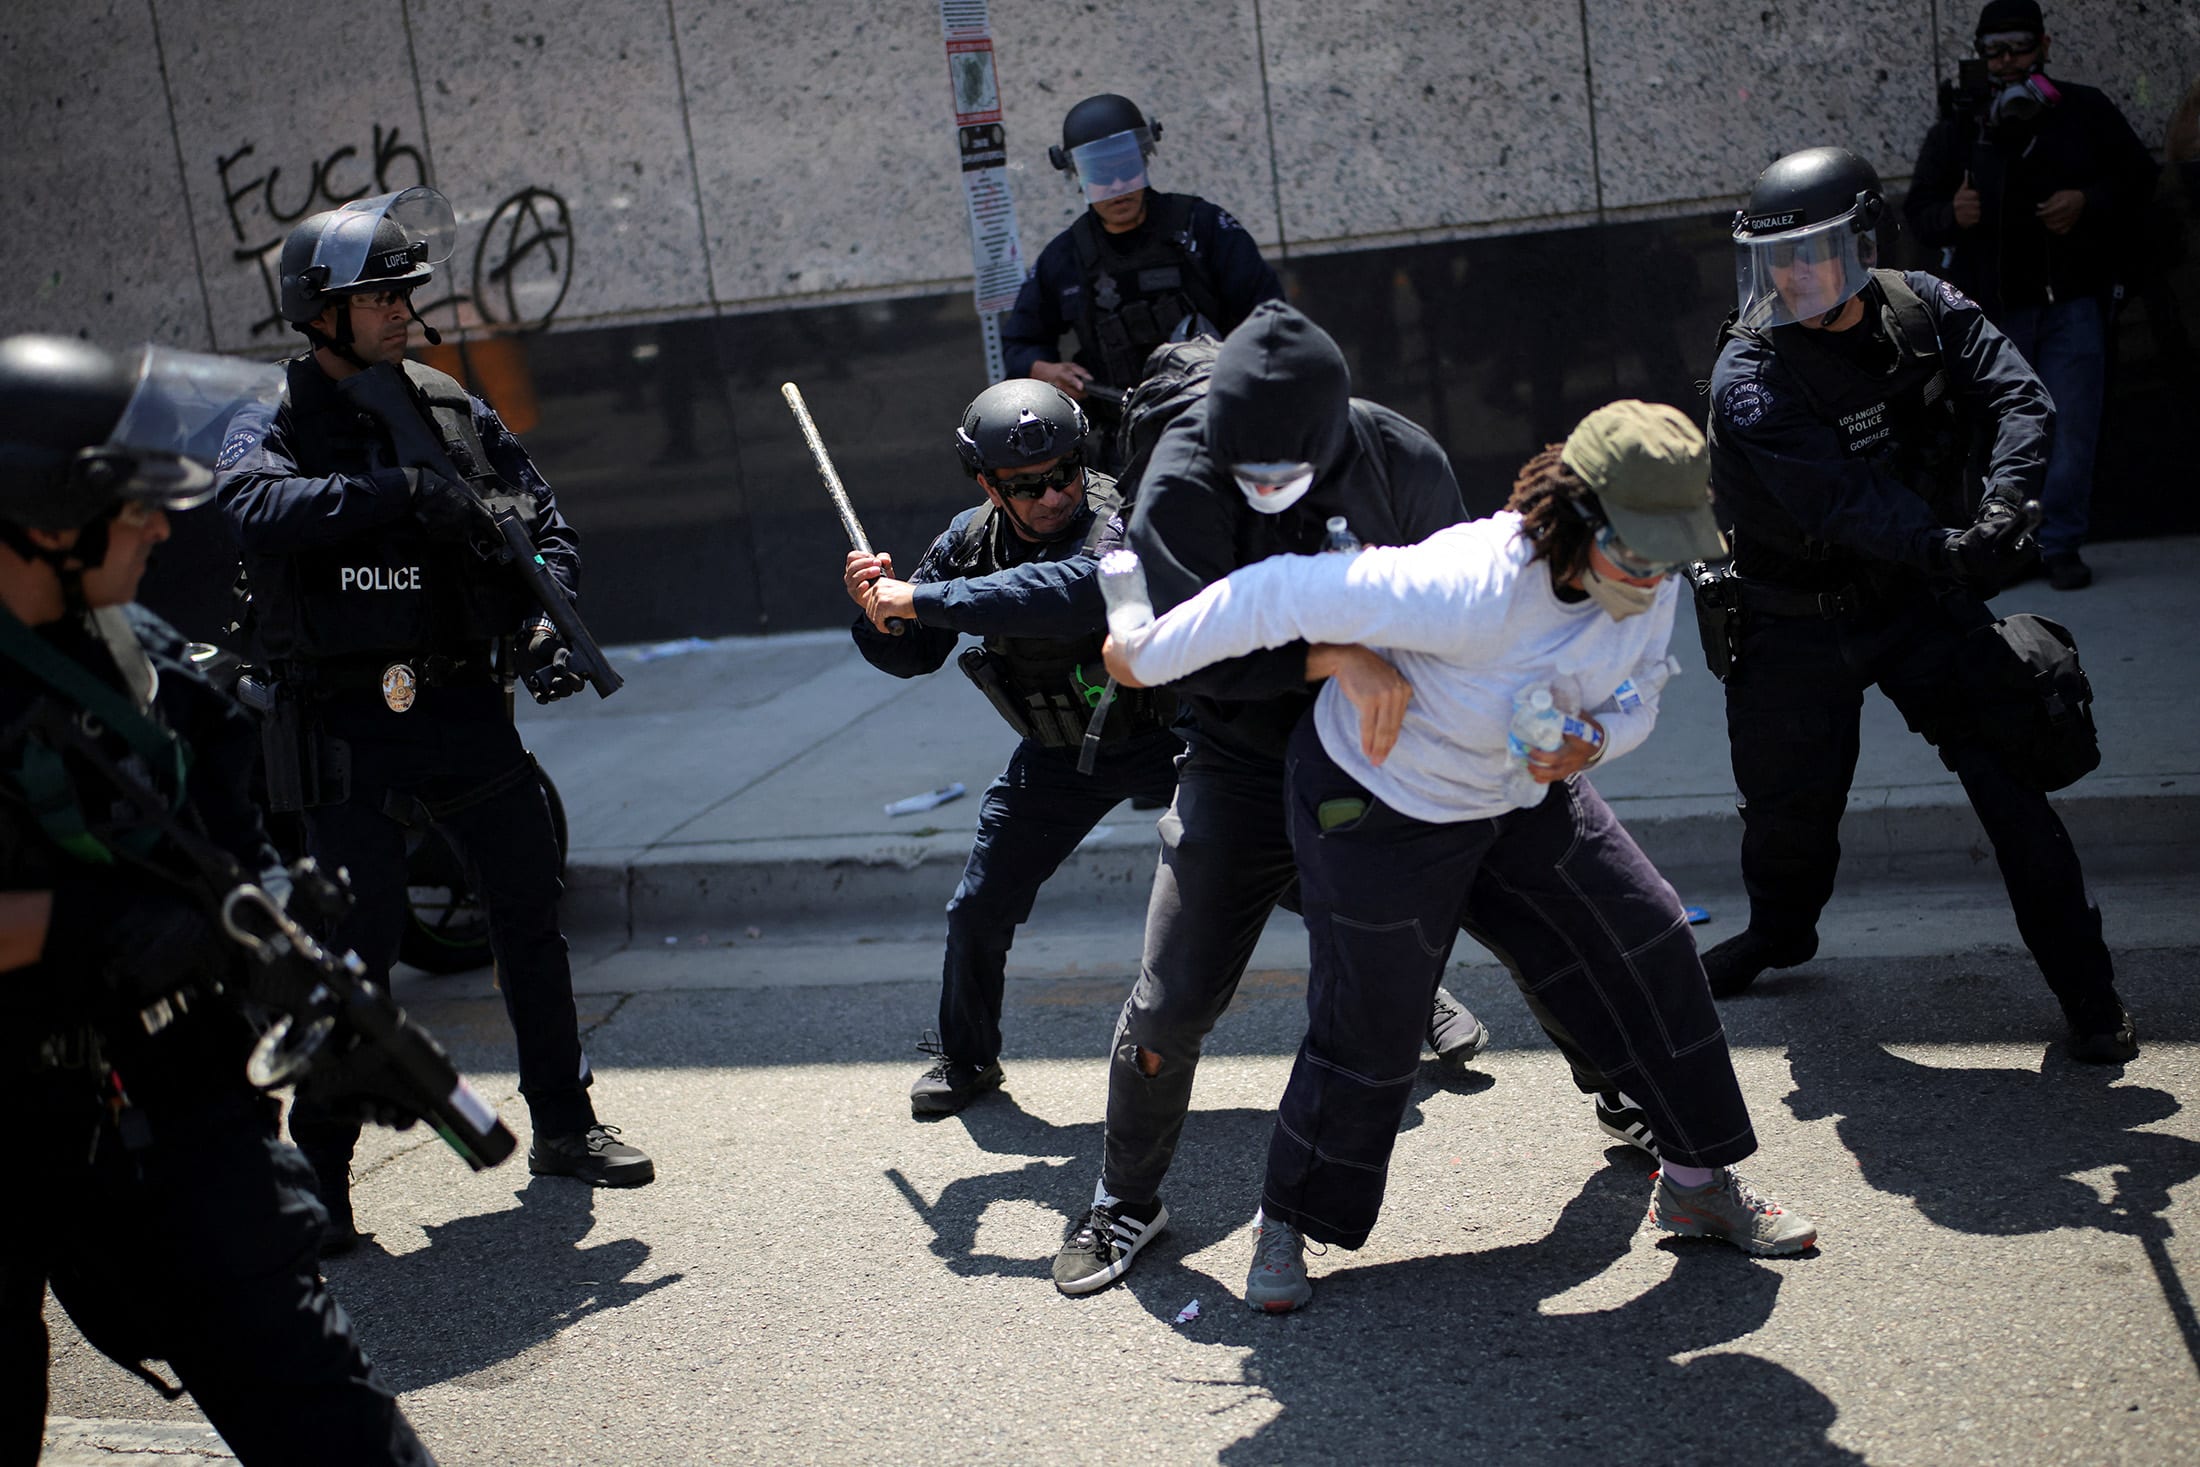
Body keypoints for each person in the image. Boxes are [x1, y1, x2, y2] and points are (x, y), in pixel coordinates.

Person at [1103, 400, 1817, 1311]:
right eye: (1635, 551)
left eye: (1669, 552)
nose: (1654, 575)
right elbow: (1277, 589)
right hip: (1384, 800)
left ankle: (1694, 1182)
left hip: (1521, 788)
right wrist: (1150, 651)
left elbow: (1647, 684)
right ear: (1578, 516)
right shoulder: (1467, 579)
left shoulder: (1655, 566)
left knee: (1647, 938)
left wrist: (1595, 739)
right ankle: (1284, 1218)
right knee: (1373, 1020)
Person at [0, 334, 436, 1463]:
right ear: (46, 520)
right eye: (130, 503)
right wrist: (96, 936)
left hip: (168, 1104)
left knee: (327, 1419)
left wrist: (283, 956)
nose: (159, 525)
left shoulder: (138, 657)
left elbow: (217, 856)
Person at [216, 187, 653, 1253]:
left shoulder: (449, 403)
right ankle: (317, 1188)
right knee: (350, 961)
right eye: (379, 297)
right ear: (318, 310)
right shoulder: (272, 416)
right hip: (347, 728)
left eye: (405, 294)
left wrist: (552, 607)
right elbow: (250, 507)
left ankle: (565, 1125)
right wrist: (396, 495)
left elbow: (542, 515)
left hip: (464, 706)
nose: (404, 312)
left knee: (527, 920)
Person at [1049, 301, 1498, 1298]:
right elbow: (1179, 663)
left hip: (1388, 749)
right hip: (1241, 755)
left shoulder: (1401, 460)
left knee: (1539, 900)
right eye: (1241, 465)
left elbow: (1470, 609)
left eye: (1281, 468)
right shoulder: (1181, 478)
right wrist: (1332, 654)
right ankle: (1127, 1197)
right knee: (1169, 1001)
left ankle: (1648, 1120)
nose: (1260, 487)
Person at [1704, 146, 2135, 1062]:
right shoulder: (1748, 375)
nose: (1796, 275)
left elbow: (2021, 397)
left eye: (1818, 252)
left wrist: (2005, 505)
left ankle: (2089, 993)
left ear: (1864, 241)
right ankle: (1780, 934)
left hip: (1915, 598)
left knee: (2008, 771)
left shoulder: (1926, 306)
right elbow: (1838, 500)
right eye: (1779, 258)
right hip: (1794, 619)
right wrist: (1948, 541)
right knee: (1788, 812)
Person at [840, 380, 1182, 1117]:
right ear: (989, 485)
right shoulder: (968, 540)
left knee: (1274, 873)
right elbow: (913, 653)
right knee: (977, 907)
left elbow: (1068, 591)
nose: (1054, 495)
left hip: (1164, 733)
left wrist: (920, 599)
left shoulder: (1118, 513)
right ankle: (967, 1057)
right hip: (1061, 752)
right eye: (1027, 485)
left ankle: (1417, 1001)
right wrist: (879, 612)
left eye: (1063, 471)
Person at [1904, 0, 2160, 590]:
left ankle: (2061, 543)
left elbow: (2140, 179)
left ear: (2044, 46)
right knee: (2000, 431)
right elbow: (1918, 213)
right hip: (1990, 315)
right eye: (1994, 51)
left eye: (2018, 47)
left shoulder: (2084, 110)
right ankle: (2005, 547)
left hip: (2072, 302)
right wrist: (1954, 212)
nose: (2007, 61)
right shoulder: (1959, 128)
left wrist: (2087, 201)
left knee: (2071, 427)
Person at [1001, 93, 1285, 439]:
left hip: (1220, 423)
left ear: (1145, 159)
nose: (1118, 186)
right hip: (1122, 438)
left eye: (1127, 168)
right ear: (1078, 175)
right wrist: (1045, 370)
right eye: (1102, 174)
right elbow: (1019, 343)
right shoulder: (1065, 256)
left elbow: (1270, 318)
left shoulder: (1203, 227)